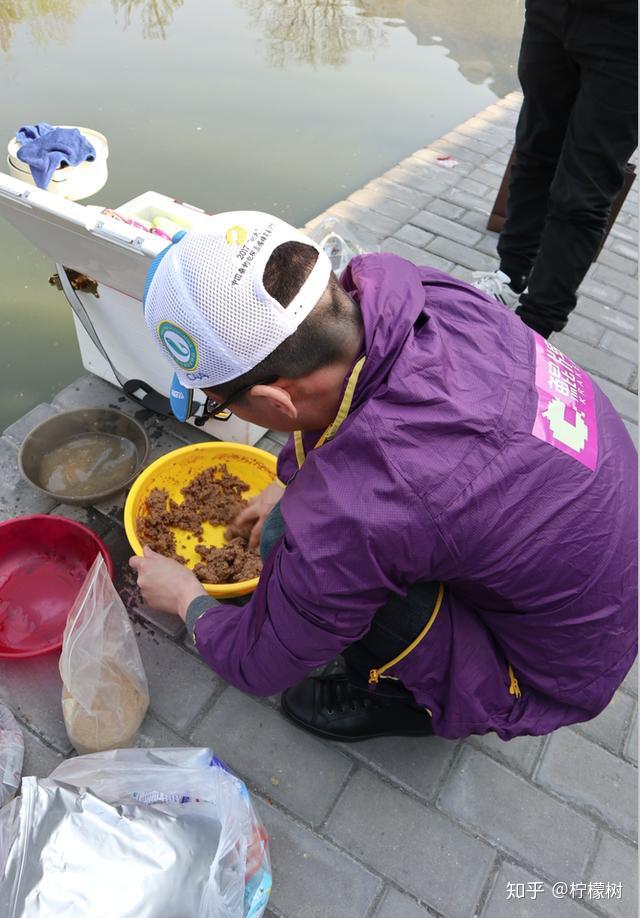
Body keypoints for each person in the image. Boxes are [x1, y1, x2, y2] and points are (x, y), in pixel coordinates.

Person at [129, 211, 637, 743]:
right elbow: (370, 431)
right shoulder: (428, 293)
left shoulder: (358, 511)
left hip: (549, 674)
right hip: (594, 580)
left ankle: (404, 701)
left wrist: (189, 599)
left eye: (221, 407)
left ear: (274, 399)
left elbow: (259, 665)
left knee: (300, 543)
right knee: (300, 525)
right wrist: (290, 483)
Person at [473, 0, 638, 338]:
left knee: (583, 191)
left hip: (628, 29)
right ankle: (509, 276)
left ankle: (535, 325)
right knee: (533, 154)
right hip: (549, 12)